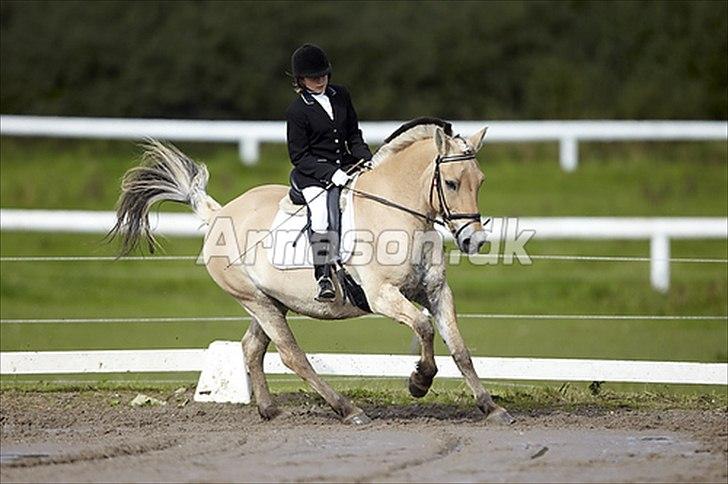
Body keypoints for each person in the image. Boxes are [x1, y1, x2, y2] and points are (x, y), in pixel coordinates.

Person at [286, 43, 373, 302]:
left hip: (346, 165)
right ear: (301, 80)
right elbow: (299, 156)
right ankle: (323, 276)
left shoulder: (340, 95)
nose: (320, 81)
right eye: (314, 78)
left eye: (323, 75)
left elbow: (353, 135)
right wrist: (328, 173)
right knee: (322, 214)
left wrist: (367, 159)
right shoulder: (297, 111)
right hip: (313, 174)